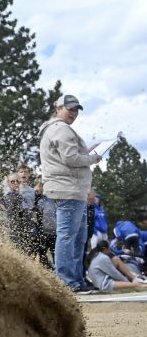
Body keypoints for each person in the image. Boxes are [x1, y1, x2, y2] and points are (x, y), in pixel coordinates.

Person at [38, 94, 102, 292]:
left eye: (76, 110)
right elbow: (71, 159)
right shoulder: (61, 129)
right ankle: (68, 281)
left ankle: (76, 279)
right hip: (68, 190)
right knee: (67, 236)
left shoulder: (56, 129)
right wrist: (92, 158)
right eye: (70, 109)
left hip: (71, 191)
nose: (74, 113)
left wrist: (87, 152)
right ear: (58, 108)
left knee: (77, 237)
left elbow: (68, 156)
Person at [1, 173, 34, 255]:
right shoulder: (6, 198)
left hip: (25, 231)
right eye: (12, 181)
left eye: (17, 181)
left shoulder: (21, 197)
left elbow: (27, 214)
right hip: (15, 232)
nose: (15, 183)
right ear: (8, 183)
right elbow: (10, 216)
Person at [32, 181, 56, 270]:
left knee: (56, 256)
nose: (41, 188)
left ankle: (57, 274)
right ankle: (48, 271)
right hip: (42, 232)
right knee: (42, 256)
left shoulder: (52, 200)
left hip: (54, 232)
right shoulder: (36, 199)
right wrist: (35, 192)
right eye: (40, 186)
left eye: (43, 186)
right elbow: (33, 211)